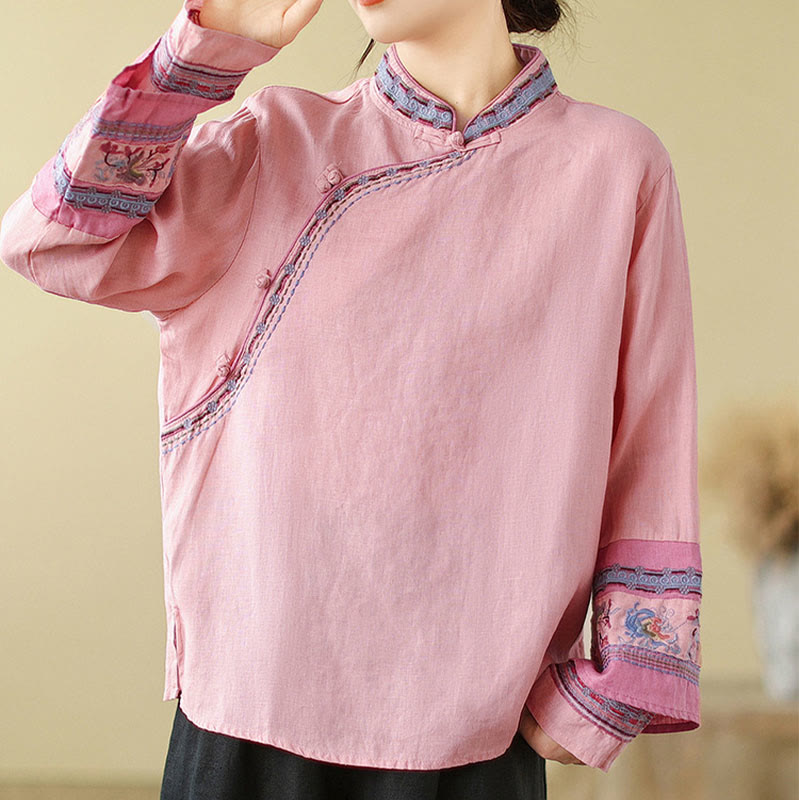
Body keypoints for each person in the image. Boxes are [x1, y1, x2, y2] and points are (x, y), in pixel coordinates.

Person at [0, 0, 703, 797]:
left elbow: (649, 432)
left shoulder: (614, 165)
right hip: (251, 706)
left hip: (477, 721)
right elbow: (50, 243)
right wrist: (204, 48)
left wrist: (619, 685)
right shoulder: (278, 140)